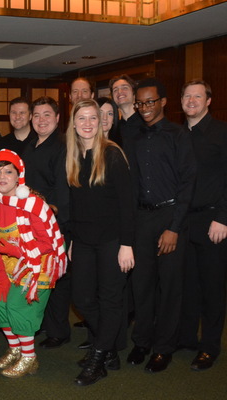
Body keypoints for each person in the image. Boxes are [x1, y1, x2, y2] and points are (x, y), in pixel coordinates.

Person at [127, 78, 196, 373]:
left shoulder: (179, 135)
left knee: (169, 287)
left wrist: (174, 228)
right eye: (140, 103)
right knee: (141, 286)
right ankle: (142, 341)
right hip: (141, 219)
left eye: (150, 102)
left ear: (163, 102)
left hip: (170, 219)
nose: (144, 108)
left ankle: (164, 347)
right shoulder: (133, 137)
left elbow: (187, 184)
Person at [65, 99, 135, 385]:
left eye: (93, 118)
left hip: (112, 241)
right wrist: (70, 239)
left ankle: (98, 357)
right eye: (82, 118)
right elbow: (73, 203)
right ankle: (108, 347)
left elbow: (128, 204)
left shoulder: (113, 154)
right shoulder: (71, 154)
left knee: (110, 300)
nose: (87, 123)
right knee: (81, 298)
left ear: (101, 122)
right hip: (82, 240)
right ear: (74, 123)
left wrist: (127, 244)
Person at [0, 149, 66, 378]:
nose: (2, 177)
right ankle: (15, 349)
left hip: (39, 262)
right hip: (10, 262)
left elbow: (48, 243)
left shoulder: (32, 204)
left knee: (18, 307)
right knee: (0, 304)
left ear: (19, 176)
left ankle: (29, 358)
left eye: (8, 172)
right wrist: (0, 275)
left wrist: (16, 249)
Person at [179, 80, 227, 371]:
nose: (192, 100)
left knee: (212, 288)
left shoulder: (222, 132)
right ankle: (186, 338)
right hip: (183, 222)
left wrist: (223, 216)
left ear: (208, 100)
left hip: (213, 221)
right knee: (188, 286)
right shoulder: (177, 133)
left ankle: (210, 346)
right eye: (187, 96)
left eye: (198, 96)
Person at [21, 96, 71, 349]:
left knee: (55, 278)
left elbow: (63, 189)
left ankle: (59, 331)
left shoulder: (62, 145)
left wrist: (56, 222)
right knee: (38, 275)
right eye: (37, 115)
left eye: (47, 115)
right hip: (31, 221)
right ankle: (45, 325)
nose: (41, 120)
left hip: (52, 222)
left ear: (58, 118)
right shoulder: (31, 145)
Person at [109, 75, 143, 154]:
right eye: (115, 90)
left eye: (124, 88)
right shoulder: (113, 130)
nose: (120, 92)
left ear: (134, 94)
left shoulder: (147, 124)